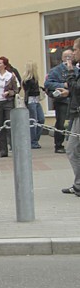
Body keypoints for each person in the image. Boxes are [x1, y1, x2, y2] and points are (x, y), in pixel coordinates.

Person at [45, 49, 73, 154]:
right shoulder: (55, 70)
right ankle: (58, 145)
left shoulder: (75, 69)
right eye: (66, 56)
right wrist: (63, 85)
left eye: (70, 56)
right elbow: (48, 84)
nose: (68, 59)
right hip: (62, 101)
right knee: (60, 123)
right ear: (62, 58)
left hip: (73, 101)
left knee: (74, 123)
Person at [61, 38, 80, 197]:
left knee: (72, 149)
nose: (73, 52)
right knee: (74, 149)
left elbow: (76, 87)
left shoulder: (74, 70)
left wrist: (70, 72)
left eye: (75, 49)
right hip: (76, 111)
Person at [22, 61, 45, 149]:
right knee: (33, 121)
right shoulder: (27, 80)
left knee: (41, 119)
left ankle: (35, 139)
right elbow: (28, 91)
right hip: (31, 101)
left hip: (36, 101)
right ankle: (33, 141)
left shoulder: (35, 79)